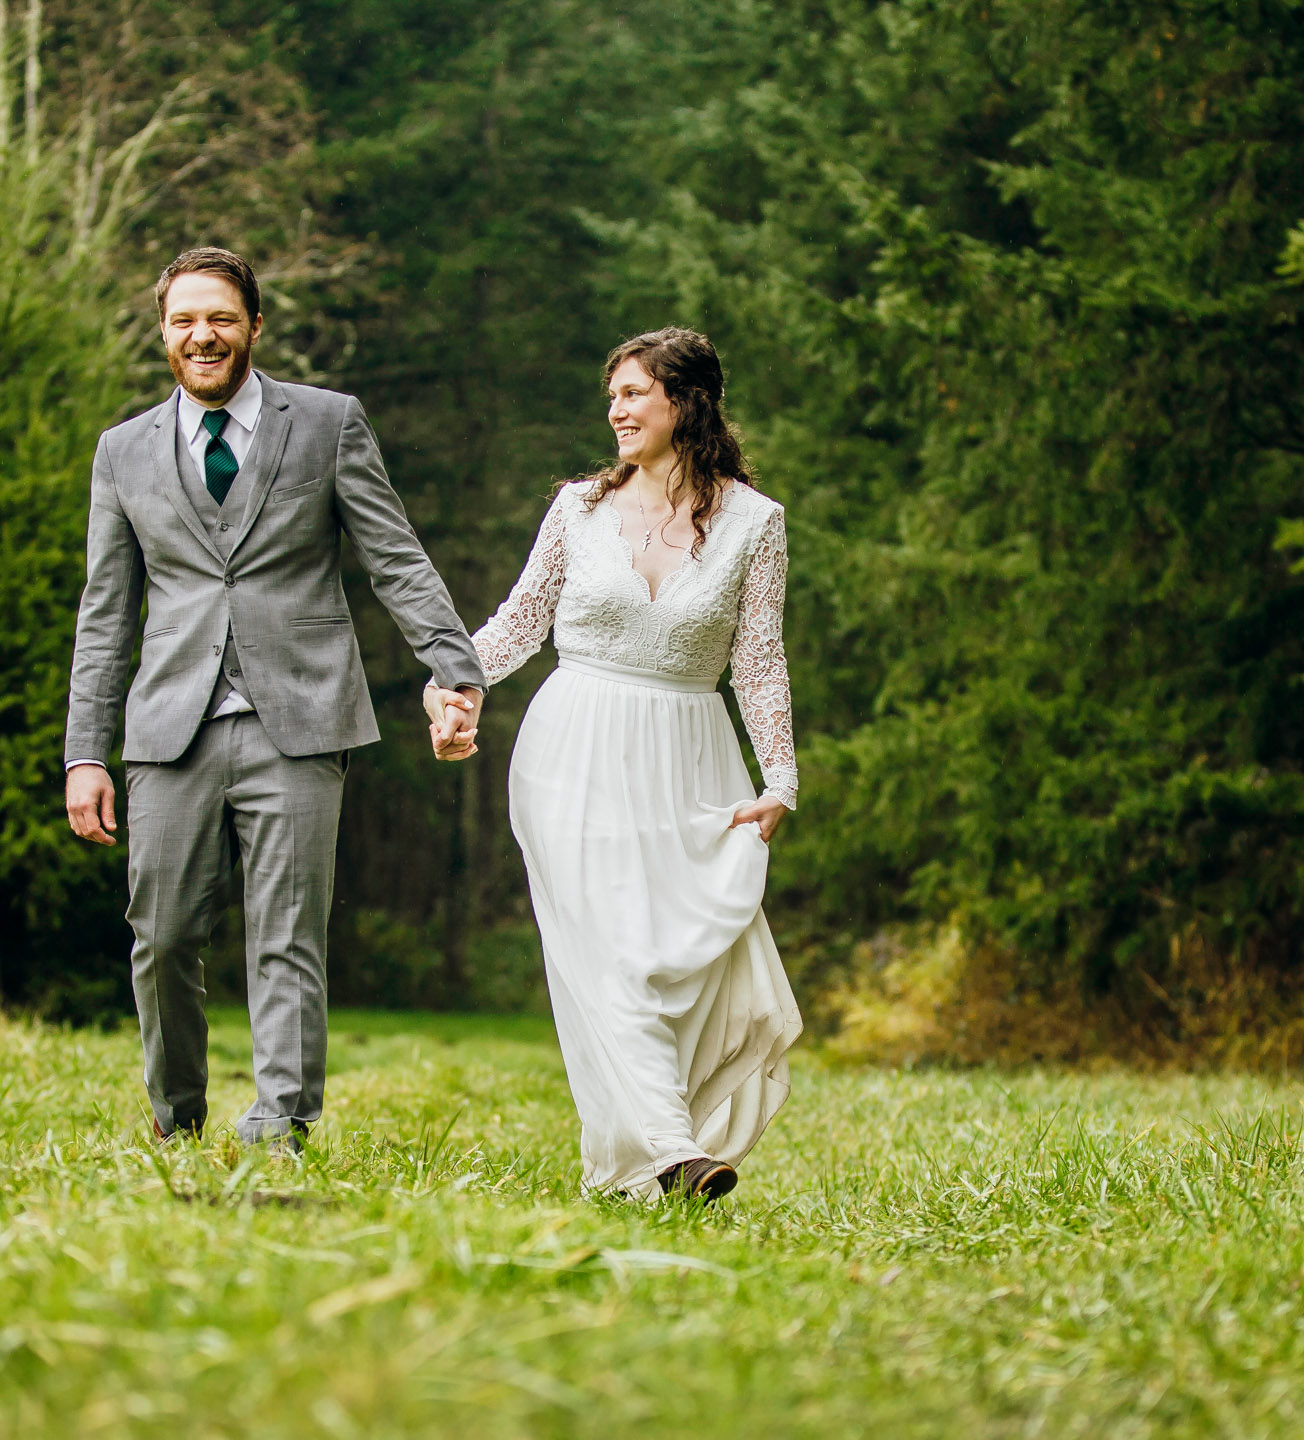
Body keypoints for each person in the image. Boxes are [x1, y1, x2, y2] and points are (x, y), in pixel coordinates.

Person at [64, 247, 486, 1150]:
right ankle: (174, 1116)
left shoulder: (328, 425)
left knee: (287, 932)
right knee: (165, 935)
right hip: (167, 729)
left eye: (219, 318)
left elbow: (395, 558)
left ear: (254, 325)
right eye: (183, 320)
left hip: (300, 718)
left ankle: (280, 1121)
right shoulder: (122, 451)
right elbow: (106, 613)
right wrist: (86, 752)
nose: (201, 335)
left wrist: (455, 672)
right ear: (164, 332)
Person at [426, 328, 802, 1201]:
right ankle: (674, 1151)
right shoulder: (577, 508)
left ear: (687, 401)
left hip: (691, 757)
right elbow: (519, 622)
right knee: (612, 956)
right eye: (612, 395)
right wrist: (451, 684)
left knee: (685, 963)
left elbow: (759, 660)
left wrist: (779, 778)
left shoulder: (757, 523)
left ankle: (632, 1168)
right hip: (574, 748)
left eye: (634, 393)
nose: (616, 411)